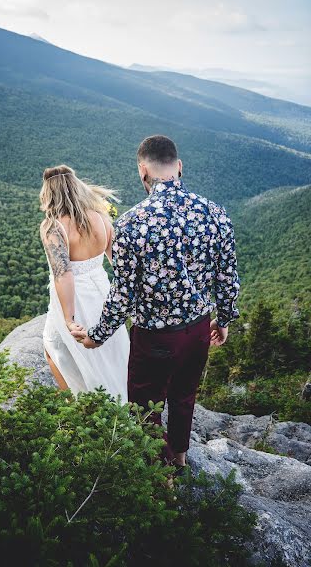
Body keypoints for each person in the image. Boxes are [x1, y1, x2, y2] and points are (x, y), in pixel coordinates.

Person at [72, 135, 240, 473]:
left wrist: (96, 336)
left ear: (142, 171)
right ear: (178, 167)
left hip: (154, 338)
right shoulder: (215, 213)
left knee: (145, 407)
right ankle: (178, 457)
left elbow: (123, 293)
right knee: (184, 396)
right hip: (196, 330)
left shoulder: (131, 224)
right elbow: (227, 277)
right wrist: (223, 320)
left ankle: (156, 473)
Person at [40, 164, 130, 403]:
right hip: (102, 292)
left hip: (74, 298)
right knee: (111, 353)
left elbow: (63, 274)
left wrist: (69, 319)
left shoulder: (53, 226)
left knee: (55, 350)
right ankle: (121, 403)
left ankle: (78, 407)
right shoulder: (101, 216)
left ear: (48, 193)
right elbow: (119, 263)